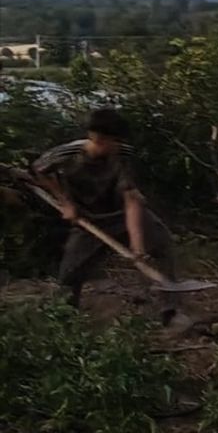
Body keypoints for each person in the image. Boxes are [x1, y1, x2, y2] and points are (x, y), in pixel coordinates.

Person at [30, 108, 188, 327]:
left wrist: (137, 246)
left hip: (121, 214)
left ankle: (170, 311)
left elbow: (131, 199)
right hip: (89, 220)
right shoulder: (67, 154)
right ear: (99, 139)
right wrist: (65, 202)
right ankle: (64, 319)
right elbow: (39, 170)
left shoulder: (123, 154)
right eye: (115, 140)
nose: (119, 145)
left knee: (162, 244)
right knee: (70, 274)